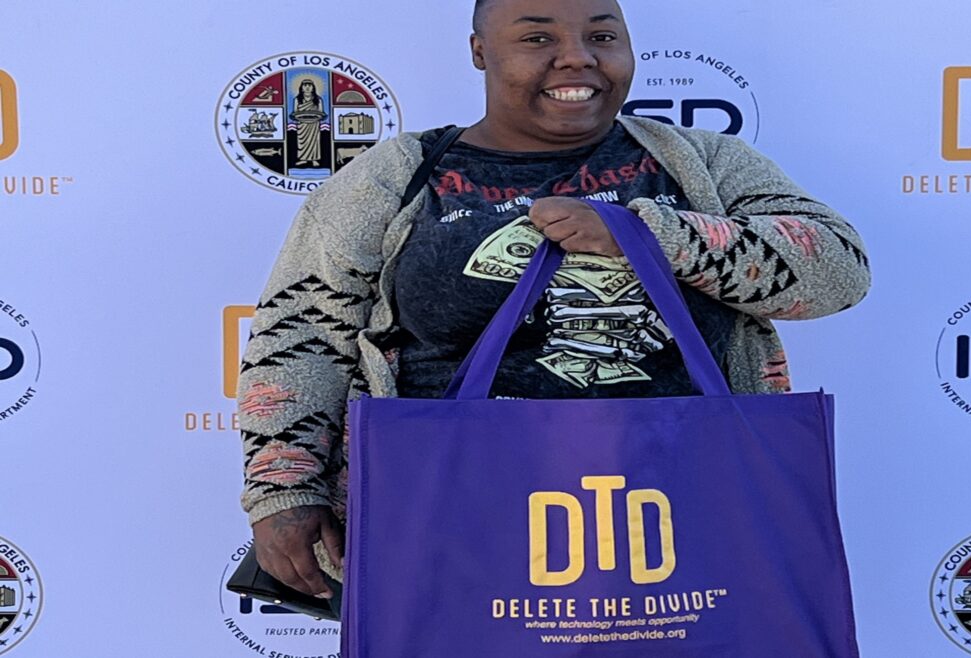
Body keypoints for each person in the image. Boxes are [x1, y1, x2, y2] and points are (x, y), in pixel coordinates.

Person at [238, 0, 870, 604]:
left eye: (602, 36)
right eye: (537, 38)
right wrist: (283, 489)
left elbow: (839, 270)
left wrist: (645, 236)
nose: (577, 58)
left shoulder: (696, 162)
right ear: (480, 51)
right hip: (450, 513)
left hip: (688, 504)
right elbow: (302, 332)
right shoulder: (396, 175)